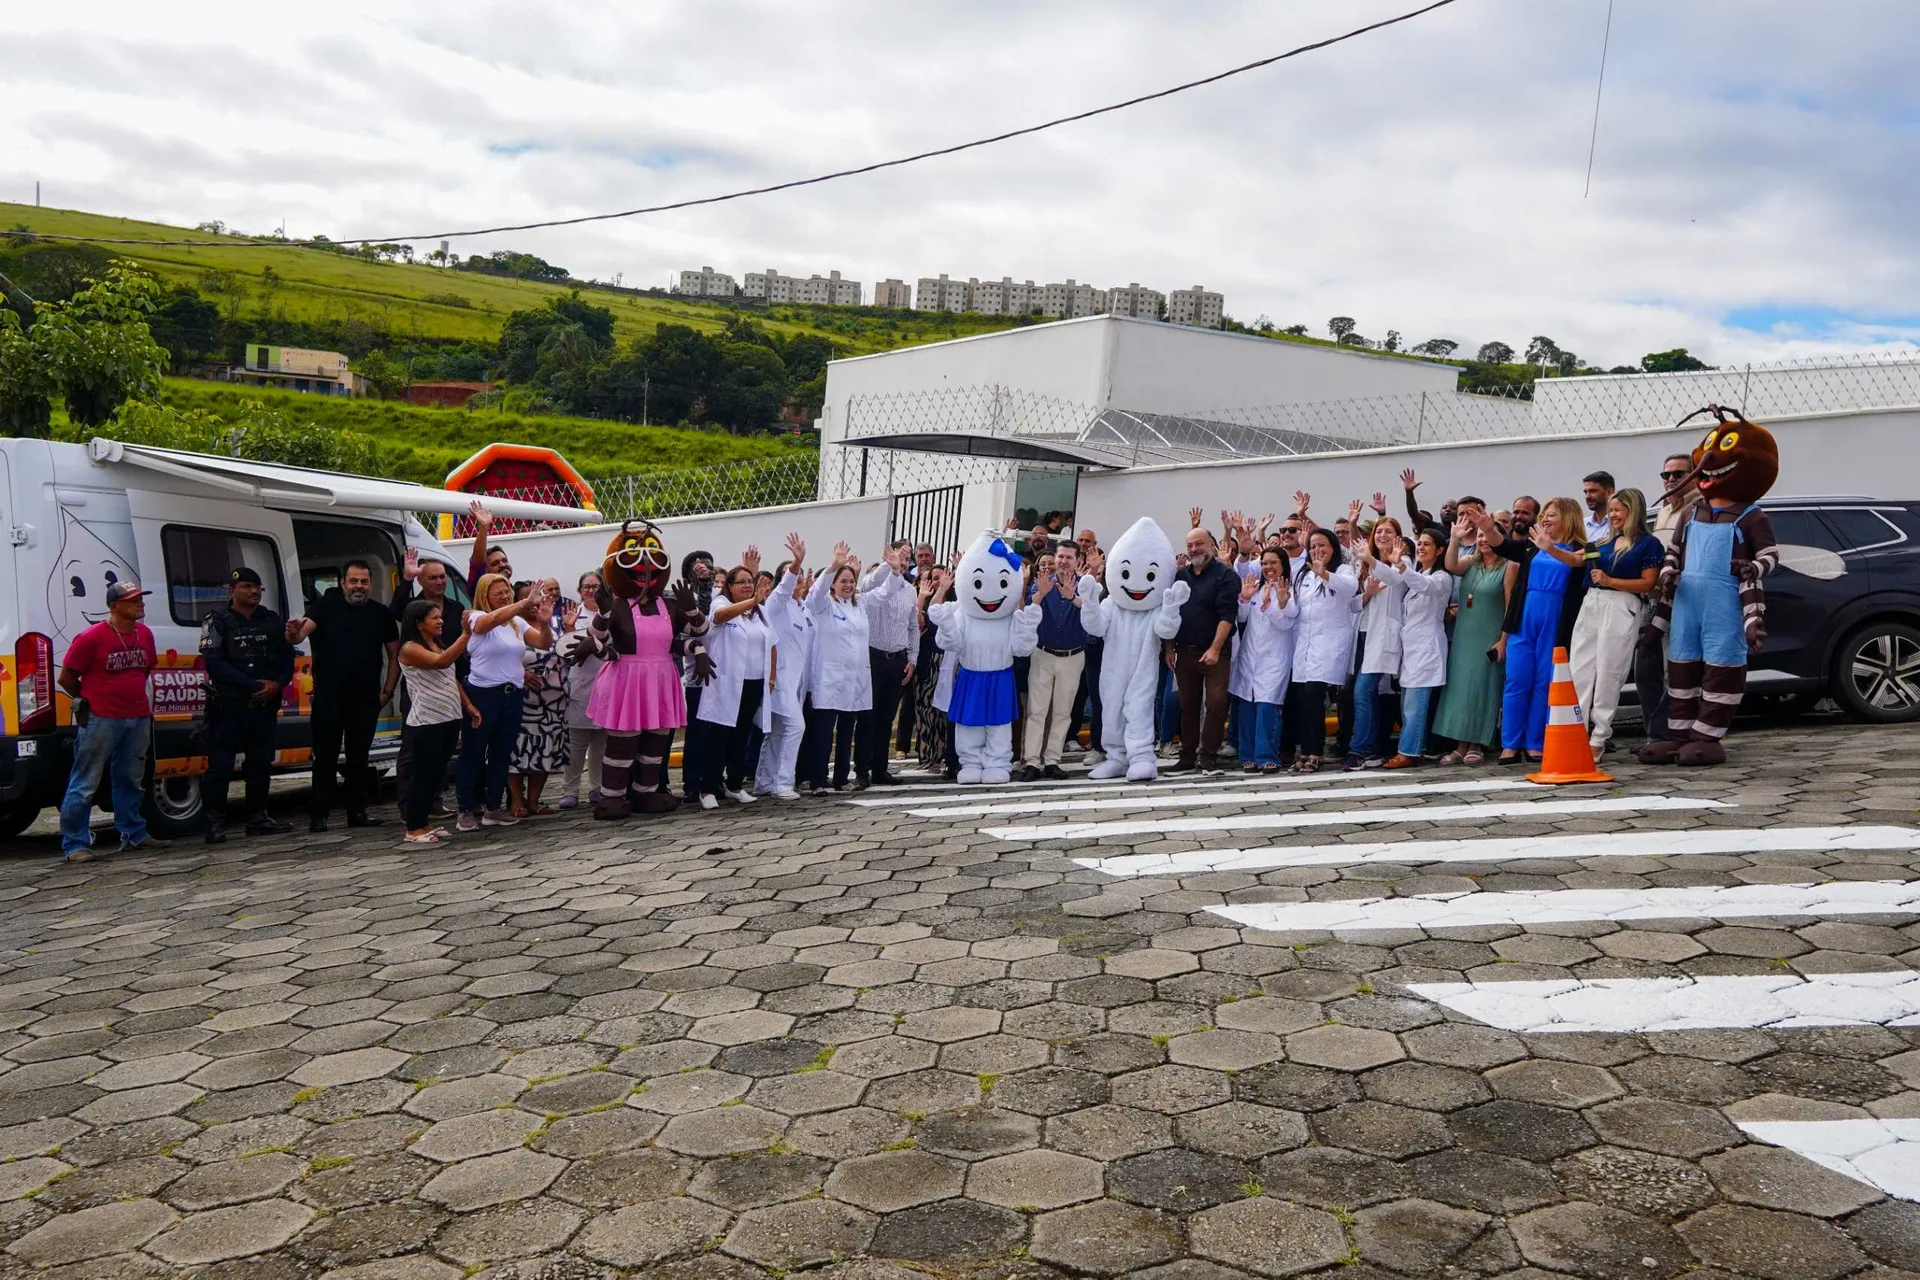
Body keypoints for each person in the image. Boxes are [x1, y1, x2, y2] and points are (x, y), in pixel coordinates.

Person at [57, 579, 167, 863]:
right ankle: (75, 844)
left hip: (138, 716)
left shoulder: (145, 634)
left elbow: (145, 670)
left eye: (141, 598)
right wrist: (89, 698)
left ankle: (133, 834)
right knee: (85, 781)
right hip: (101, 718)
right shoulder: (91, 637)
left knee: (131, 778)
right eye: (133, 600)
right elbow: (66, 677)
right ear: (115, 606)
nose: (140, 603)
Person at [287, 559, 398, 833]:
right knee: (325, 758)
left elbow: (394, 655)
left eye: (364, 582)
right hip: (329, 698)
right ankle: (319, 816)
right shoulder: (325, 606)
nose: (359, 586)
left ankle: (357, 813)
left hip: (366, 699)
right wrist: (293, 633)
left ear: (370, 584)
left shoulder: (380, 613)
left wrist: (387, 692)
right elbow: (299, 636)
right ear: (342, 583)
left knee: (359, 759)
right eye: (353, 581)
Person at [1484, 497, 1591, 764]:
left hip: (1556, 621)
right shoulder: (1531, 547)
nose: (1544, 519)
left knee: (1545, 682)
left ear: (1568, 517)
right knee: (1517, 680)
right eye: (1544, 515)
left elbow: (1576, 562)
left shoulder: (1583, 547)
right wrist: (1487, 528)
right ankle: (1510, 744)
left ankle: (1534, 742)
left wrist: (1550, 548)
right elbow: (1503, 545)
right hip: (1524, 618)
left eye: (1551, 515)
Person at [200, 567, 295, 843]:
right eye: (246, 586)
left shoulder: (271, 619)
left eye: (257, 587)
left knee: (261, 762)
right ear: (232, 591)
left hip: (264, 705)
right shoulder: (217, 620)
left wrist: (277, 685)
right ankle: (215, 824)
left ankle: (258, 818)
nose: (253, 591)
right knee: (220, 766)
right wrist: (253, 687)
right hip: (230, 705)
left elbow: (287, 657)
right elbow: (214, 663)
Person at [805, 543, 908, 791]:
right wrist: (834, 564)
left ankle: (841, 778)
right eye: (843, 581)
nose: (848, 585)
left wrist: (895, 571)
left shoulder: (860, 603)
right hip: (830, 679)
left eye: (851, 581)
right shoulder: (824, 605)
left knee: (846, 731)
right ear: (832, 584)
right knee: (824, 732)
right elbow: (816, 592)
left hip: (855, 680)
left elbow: (885, 593)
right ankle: (818, 780)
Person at [1571, 488, 1663, 756]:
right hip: (1592, 602)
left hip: (1622, 605)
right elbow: (1574, 559)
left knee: (1609, 672)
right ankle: (1575, 732)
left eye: (1617, 510)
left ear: (1633, 511)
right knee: (1580, 668)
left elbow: (1648, 583)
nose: (1611, 515)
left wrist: (1611, 581)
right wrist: (1548, 547)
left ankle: (1598, 738)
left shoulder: (1648, 544)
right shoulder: (1603, 542)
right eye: (1610, 510)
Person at [457, 572, 552, 830]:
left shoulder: (516, 622)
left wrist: (545, 623)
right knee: (473, 752)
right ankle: (465, 809)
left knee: (501, 753)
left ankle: (493, 807)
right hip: (483, 693)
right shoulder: (475, 616)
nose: (504, 596)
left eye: (506, 591)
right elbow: (487, 623)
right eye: (498, 593)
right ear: (484, 596)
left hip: (512, 694)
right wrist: (523, 603)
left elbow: (542, 642)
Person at [1434, 512, 1518, 763]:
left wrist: (1504, 640)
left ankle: (1477, 744)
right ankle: (1460, 745)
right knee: (1460, 690)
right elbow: (1450, 565)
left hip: (1490, 635)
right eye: (1479, 536)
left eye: (1487, 535)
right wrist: (1454, 539)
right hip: (1465, 636)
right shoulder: (1471, 561)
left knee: (1482, 689)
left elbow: (1510, 606)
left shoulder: (1509, 566)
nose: (1483, 540)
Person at [691, 556, 773, 808]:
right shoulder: (722, 602)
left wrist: (771, 677)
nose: (747, 586)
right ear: (729, 586)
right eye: (741, 582)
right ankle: (707, 789)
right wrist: (752, 600)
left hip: (753, 682)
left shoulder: (759, 611)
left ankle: (735, 784)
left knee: (741, 736)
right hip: (727, 684)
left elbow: (771, 642)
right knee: (719, 737)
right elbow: (718, 617)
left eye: (750, 582)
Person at [396, 598, 478, 846]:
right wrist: (466, 634)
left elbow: (449, 677)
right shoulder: (409, 648)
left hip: (449, 716)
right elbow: (442, 662)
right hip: (427, 720)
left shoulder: (436, 643)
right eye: (434, 618)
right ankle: (413, 827)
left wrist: (468, 705)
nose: (440, 621)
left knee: (436, 773)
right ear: (418, 623)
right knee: (422, 774)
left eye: (440, 617)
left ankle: (424, 822)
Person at [391, 550, 464, 818]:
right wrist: (406, 580)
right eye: (432, 577)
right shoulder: (413, 607)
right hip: (420, 692)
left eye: (443, 577)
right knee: (413, 751)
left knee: (443, 750)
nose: (440, 582)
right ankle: (409, 806)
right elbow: (394, 611)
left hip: (450, 687)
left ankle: (434, 800)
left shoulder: (456, 607)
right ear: (421, 580)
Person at [1166, 525, 1239, 775]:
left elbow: (1227, 615)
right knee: (1187, 705)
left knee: (1216, 703)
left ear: (1212, 545)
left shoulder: (1226, 576)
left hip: (1216, 652)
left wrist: (1215, 648)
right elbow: (1170, 613)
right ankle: (1187, 757)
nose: (1194, 549)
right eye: (1190, 545)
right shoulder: (1180, 576)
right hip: (1185, 651)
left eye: (1199, 544)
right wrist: (1169, 648)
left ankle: (1208, 756)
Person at [1376, 529, 1453, 767]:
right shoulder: (1417, 575)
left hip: (1427, 647)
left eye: (1427, 544)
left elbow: (1425, 586)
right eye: (1419, 544)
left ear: (1440, 550)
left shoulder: (1441, 577)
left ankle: (1408, 752)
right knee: (1407, 704)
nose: (1421, 548)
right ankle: (1413, 748)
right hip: (1410, 650)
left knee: (1415, 705)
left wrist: (1401, 565)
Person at [1636, 453, 1698, 747]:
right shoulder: (1664, 510)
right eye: (1666, 475)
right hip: (1653, 600)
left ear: (1694, 475)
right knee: (1645, 669)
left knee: (1671, 671)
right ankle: (1654, 732)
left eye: (1678, 474)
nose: (1671, 480)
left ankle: (1666, 734)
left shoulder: (1699, 508)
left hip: (1680, 600)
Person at [1284, 530, 1357, 772]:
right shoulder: (1303, 574)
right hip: (1303, 645)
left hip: (1328, 644)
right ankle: (1304, 751)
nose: (1317, 550)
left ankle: (1316, 752)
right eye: (1313, 546)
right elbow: (1296, 610)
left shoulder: (1342, 570)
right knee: (1303, 700)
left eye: (1322, 545)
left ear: (1333, 547)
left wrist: (1324, 574)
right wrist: (1283, 602)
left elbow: (1349, 589)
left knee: (1314, 697)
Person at [1021, 540, 1091, 781]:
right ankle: (1031, 762)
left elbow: (1092, 612)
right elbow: (1029, 608)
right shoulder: (1043, 581)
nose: (1063, 561)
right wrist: (1040, 593)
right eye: (1060, 556)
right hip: (1043, 653)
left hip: (1073, 656)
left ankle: (1052, 761)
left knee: (1062, 712)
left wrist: (1073, 598)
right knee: (1036, 711)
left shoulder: (1084, 585)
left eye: (1069, 557)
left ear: (1077, 560)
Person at [1344, 518, 1410, 772]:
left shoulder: (1403, 560)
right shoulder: (1364, 564)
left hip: (1384, 636)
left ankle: (1360, 750)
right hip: (1362, 634)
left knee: (1362, 691)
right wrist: (1368, 593)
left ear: (1398, 536)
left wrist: (1371, 559)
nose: (1382, 535)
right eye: (1379, 531)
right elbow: (1352, 604)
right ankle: (1371, 749)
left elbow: (1393, 579)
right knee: (1366, 693)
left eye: (1388, 531)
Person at [757, 535, 817, 800]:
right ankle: (783, 783)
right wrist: (796, 561)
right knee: (796, 727)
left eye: (799, 576)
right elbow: (784, 588)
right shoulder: (776, 604)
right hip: (778, 679)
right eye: (791, 575)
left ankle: (764, 782)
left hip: (795, 682)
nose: (796, 579)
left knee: (778, 731)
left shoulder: (801, 609)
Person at [856, 539, 918, 788]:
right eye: (900, 557)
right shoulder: (876, 582)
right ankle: (862, 769)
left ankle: (880, 768)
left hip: (897, 659)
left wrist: (912, 658)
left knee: (886, 717)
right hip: (873, 656)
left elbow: (912, 627)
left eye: (907, 559)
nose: (903, 563)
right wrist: (888, 565)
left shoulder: (910, 590)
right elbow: (869, 583)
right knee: (867, 716)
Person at [1228, 548, 1296, 773]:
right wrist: (1245, 599)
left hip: (1274, 659)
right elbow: (1241, 617)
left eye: (1273, 562)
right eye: (1265, 563)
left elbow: (1286, 623)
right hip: (1249, 657)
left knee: (1267, 707)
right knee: (1247, 707)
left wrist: (1273, 605)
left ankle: (1267, 756)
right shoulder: (1255, 588)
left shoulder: (1289, 591)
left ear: (1283, 565)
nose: (1268, 567)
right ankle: (1247, 756)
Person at [509, 579, 571, 817]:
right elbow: (501, 658)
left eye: (536, 596)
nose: (534, 602)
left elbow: (564, 652)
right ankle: (517, 801)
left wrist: (567, 629)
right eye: (528, 597)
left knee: (545, 748)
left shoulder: (551, 622)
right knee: (517, 749)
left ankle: (534, 801)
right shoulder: (512, 626)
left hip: (553, 701)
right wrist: (521, 673)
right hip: (523, 700)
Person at [559, 569, 607, 809]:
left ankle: (597, 788)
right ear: (579, 591)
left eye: (595, 586)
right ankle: (570, 790)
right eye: (586, 587)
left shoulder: (611, 614)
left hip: (607, 683)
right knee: (576, 743)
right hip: (580, 683)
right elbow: (566, 651)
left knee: (601, 743)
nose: (591, 591)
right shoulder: (573, 615)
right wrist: (569, 630)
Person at [463, 501, 512, 595]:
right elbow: (478, 564)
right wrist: (484, 527)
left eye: (504, 560)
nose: (502, 565)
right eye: (495, 563)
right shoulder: (481, 590)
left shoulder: (516, 591)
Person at [1581, 471, 1617, 544]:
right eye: (1585, 492)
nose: (1587, 496)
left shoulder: (1618, 522)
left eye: (1593, 491)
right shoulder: (1581, 525)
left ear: (1609, 492)